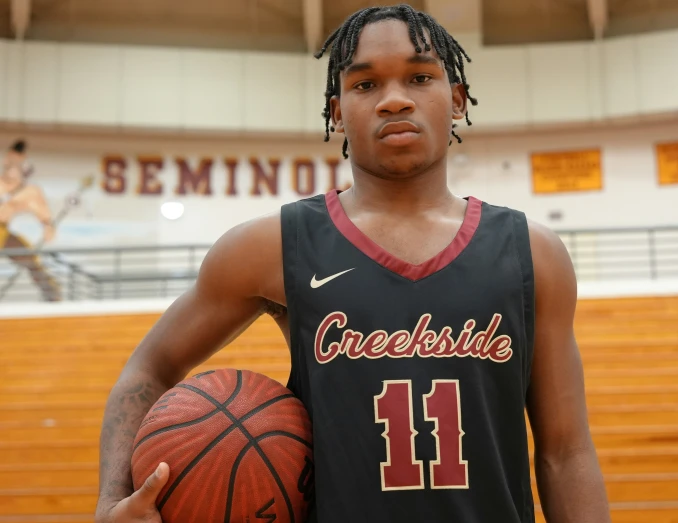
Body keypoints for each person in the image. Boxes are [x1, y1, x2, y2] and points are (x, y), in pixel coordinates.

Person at [95, 4, 611, 523]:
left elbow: (565, 453)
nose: (394, 99)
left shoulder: (532, 252)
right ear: (337, 111)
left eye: (420, 76)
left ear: (456, 100)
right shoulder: (272, 245)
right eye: (365, 85)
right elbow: (149, 369)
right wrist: (111, 504)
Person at [0, 139, 61, 301]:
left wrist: (48, 227)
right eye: (8, 163)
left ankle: (53, 296)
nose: (9, 166)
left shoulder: (29, 191)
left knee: (31, 260)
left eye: (14, 164)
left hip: (2, 233)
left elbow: (43, 214)